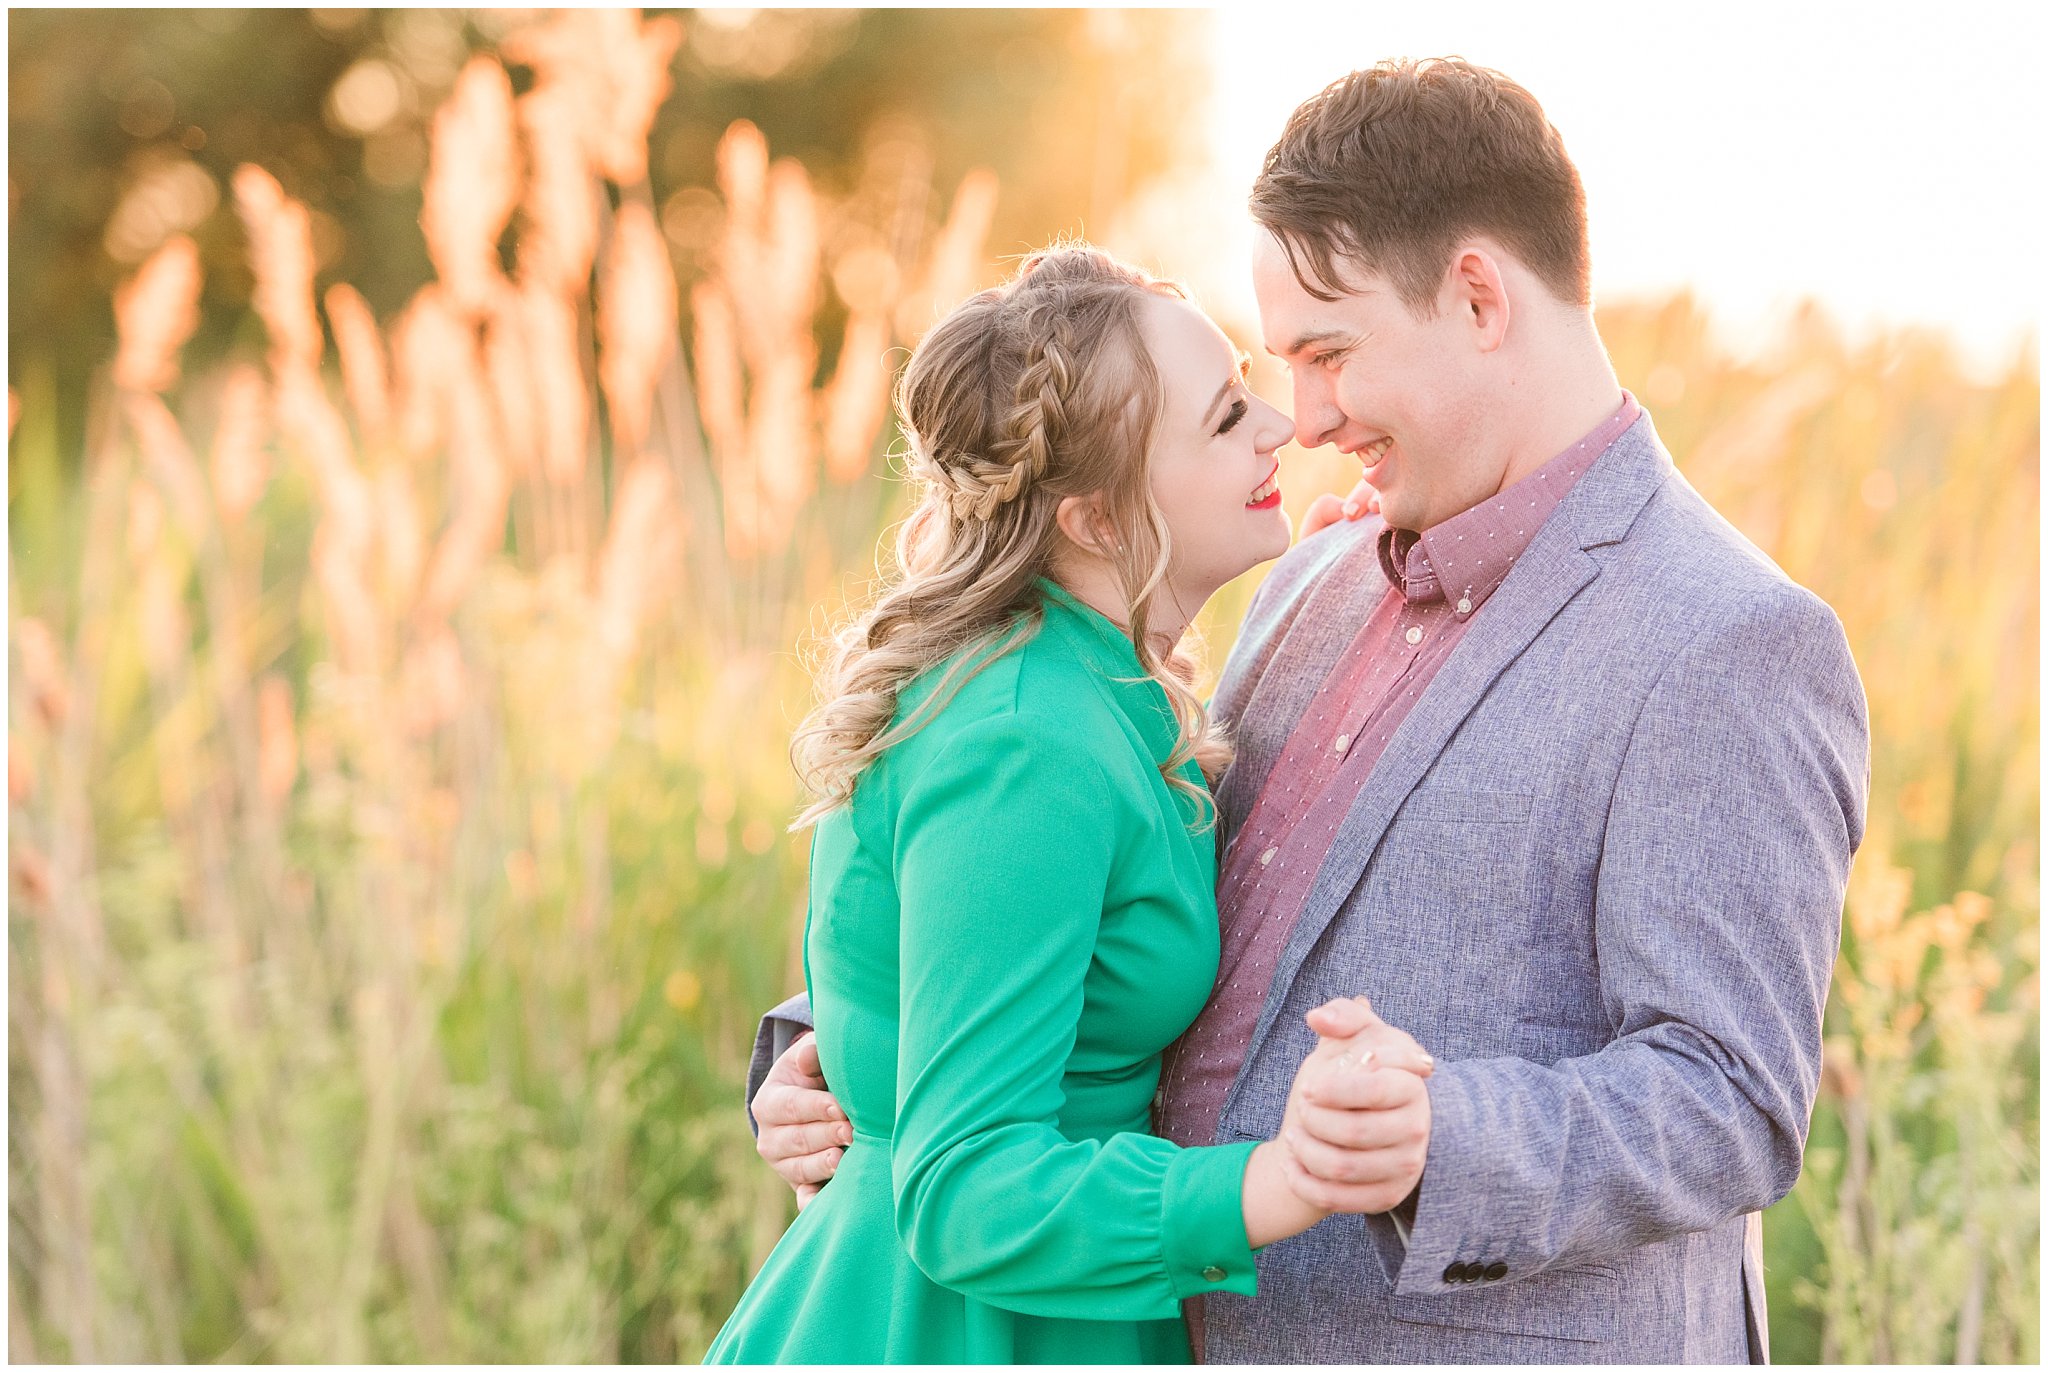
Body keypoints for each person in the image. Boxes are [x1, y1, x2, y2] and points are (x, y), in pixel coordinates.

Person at [749, 58, 1871, 1363]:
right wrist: (848, 1052)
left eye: (1330, 355)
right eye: (1275, 369)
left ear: (1476, 297)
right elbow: (1092, 889)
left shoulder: (1730, 640)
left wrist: (1434, 1139)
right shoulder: (1318, 571)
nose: (1307, 418)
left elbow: (1730, 1099)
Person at [705, 245, 1435, 1365]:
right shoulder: (1022, 741)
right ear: (1096, 518)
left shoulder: (1096, 685)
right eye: (1224, 415)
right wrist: (1276, 1179)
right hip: (954, 1326)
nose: (1279, 429)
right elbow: (964, 1186)